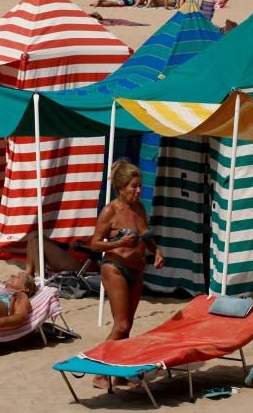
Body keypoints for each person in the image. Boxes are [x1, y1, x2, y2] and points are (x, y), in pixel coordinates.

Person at [89, 159, 164, 390]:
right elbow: (94, 244)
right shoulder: (110, 210)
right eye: (134, 186)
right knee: (121, 325)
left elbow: (144, 234)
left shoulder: (139, 208)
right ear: (121, 187)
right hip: (115, 268)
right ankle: (98, 372)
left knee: (128, 325)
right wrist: (118, 242)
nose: (139, 190)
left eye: (140, 185)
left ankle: (118, 373)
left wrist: (156, 250)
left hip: (137, 270)